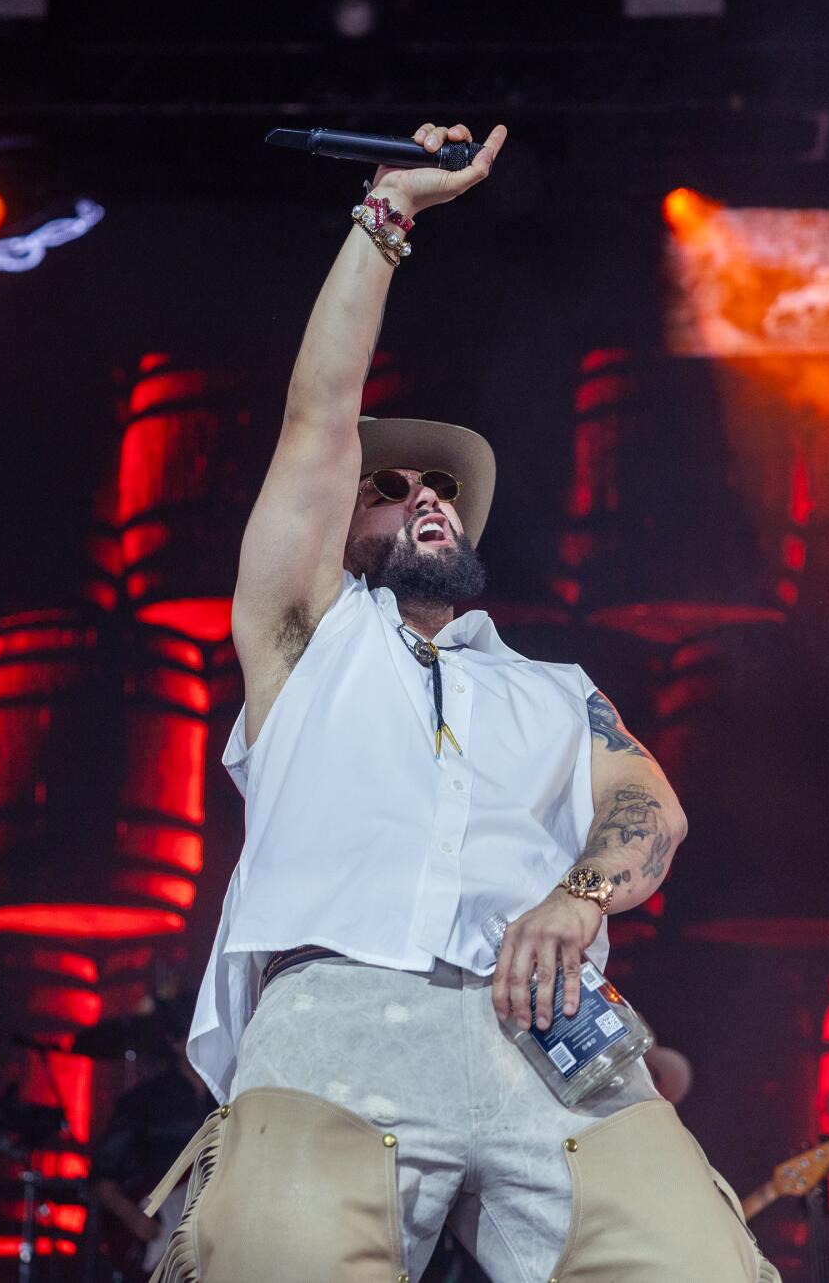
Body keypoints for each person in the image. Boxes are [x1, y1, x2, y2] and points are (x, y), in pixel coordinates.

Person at [144, 121, 773, 1282]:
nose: (424, 495)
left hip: (547, 1026)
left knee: (702, 1266)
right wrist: (385, 220)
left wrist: (578, 900)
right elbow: (316, 419)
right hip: (339, 1014)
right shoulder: (306, 638)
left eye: (439, 486)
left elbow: (649, 810)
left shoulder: (552, 689)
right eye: (388, 488)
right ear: (341, 526)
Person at [88, 997, 211, 1275]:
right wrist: (134, 1218)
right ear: (175, 1041)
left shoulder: (231, 1097)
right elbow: (100, 1177)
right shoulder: (142, 1101)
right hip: (158, 1235)